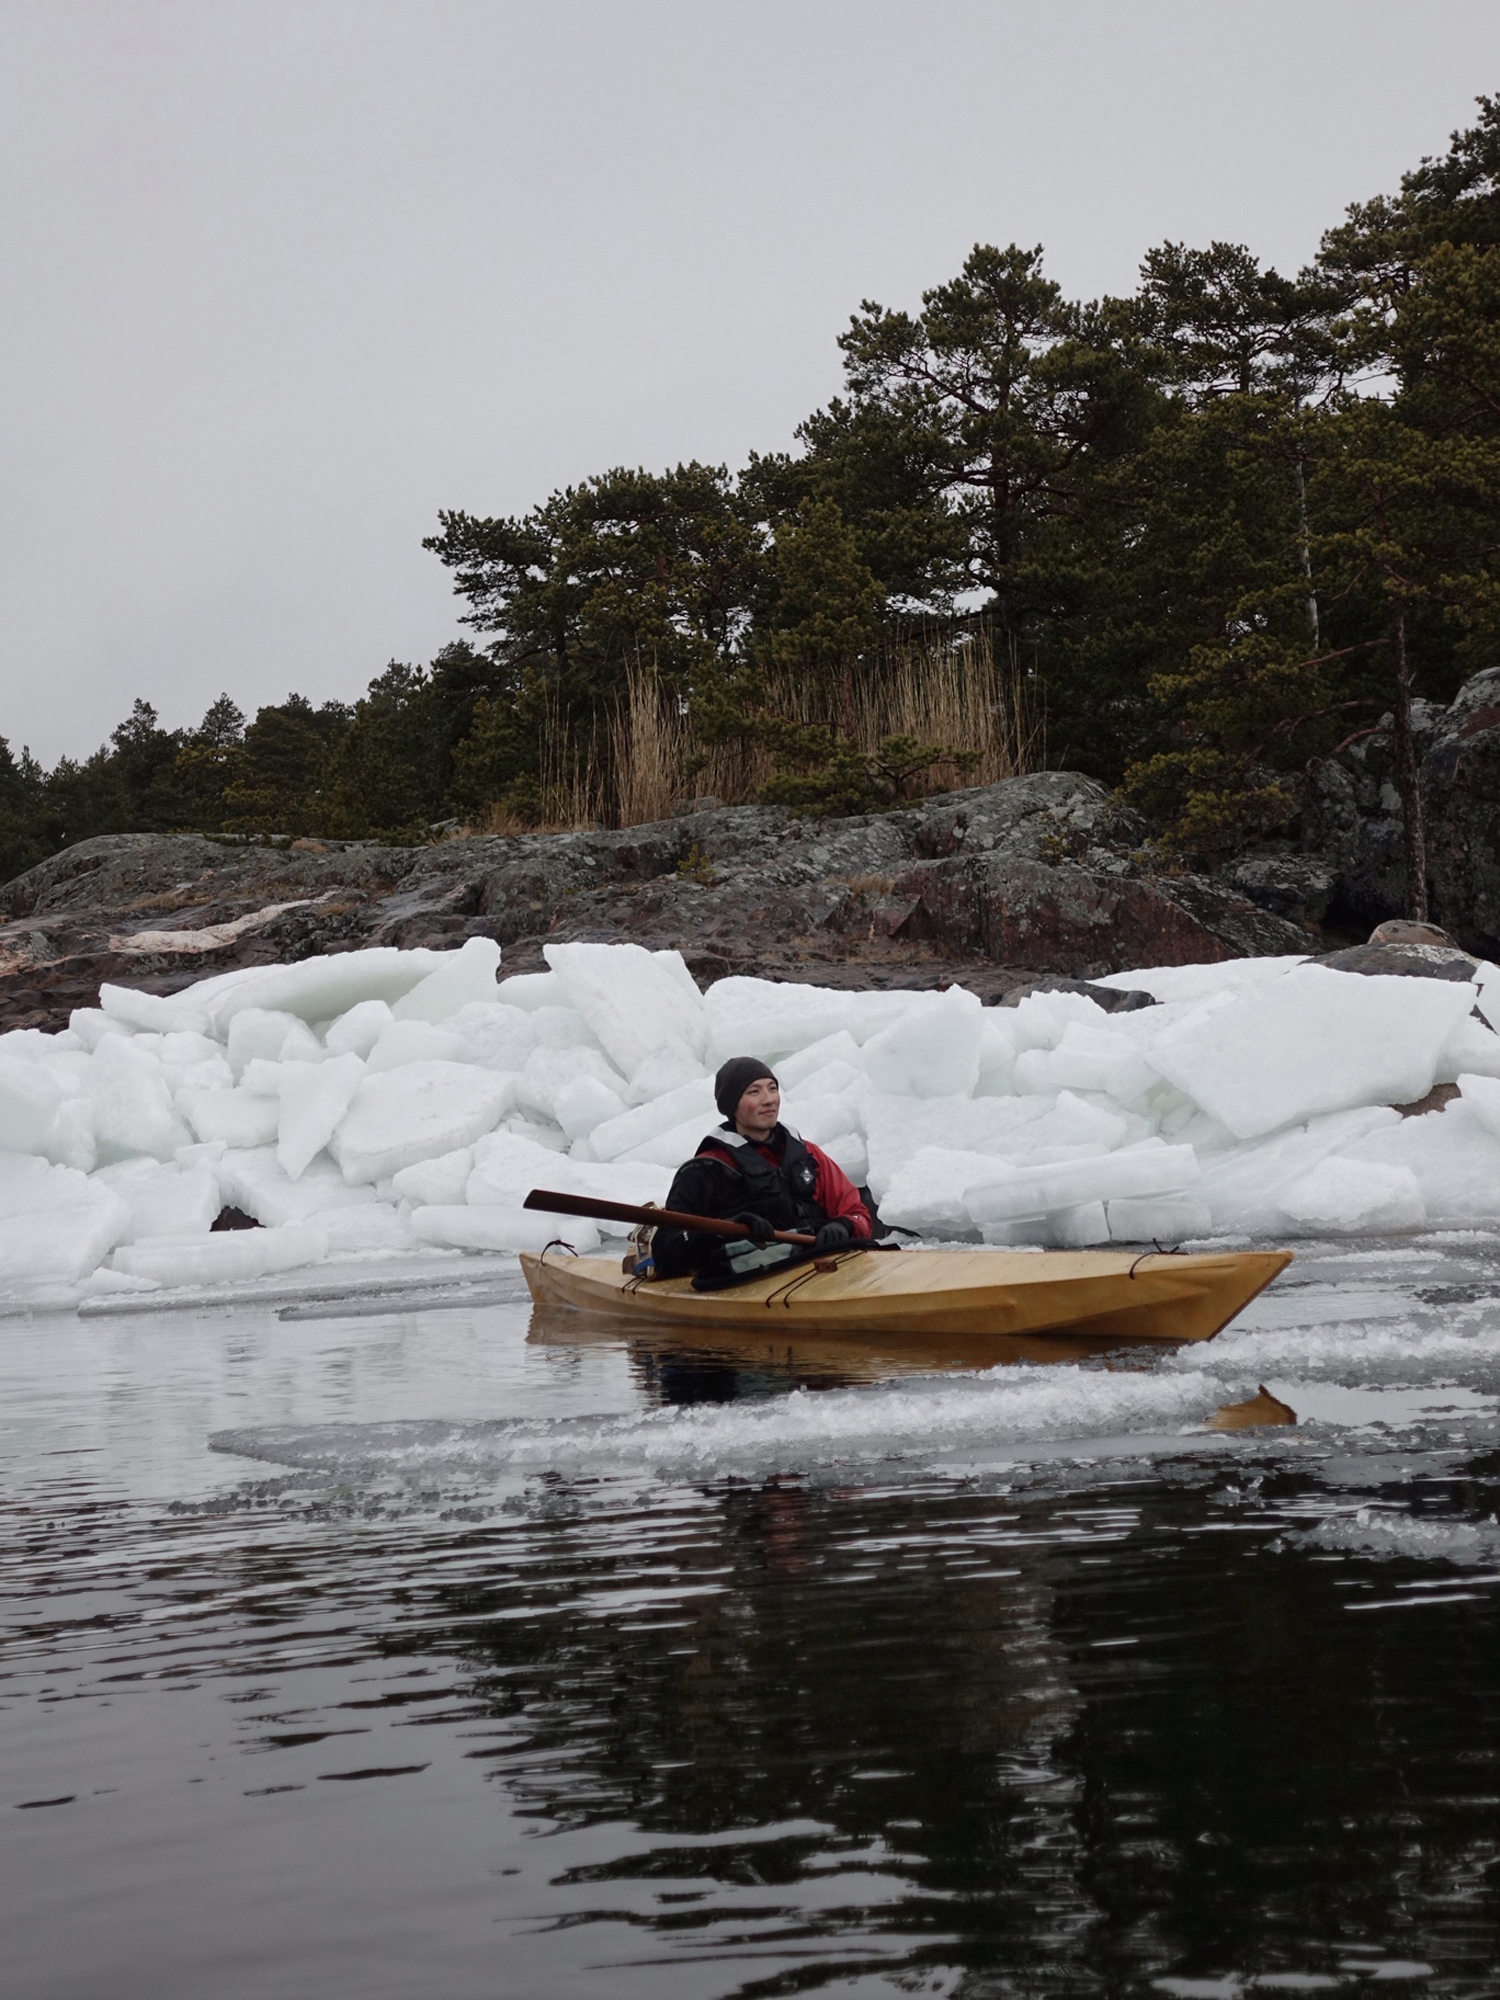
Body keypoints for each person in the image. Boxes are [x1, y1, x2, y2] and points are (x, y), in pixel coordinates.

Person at [651, 1056, 872, 1287]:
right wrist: (721, 1229)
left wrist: (845, 1225)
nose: (769, 1100)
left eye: (772, 1089)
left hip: (823, 1271)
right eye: (754, 1092)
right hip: (748, 1282)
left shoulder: (809, 1155)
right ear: (732, 1105)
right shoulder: (704, 1170)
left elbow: (857, 1213)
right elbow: (667, 1250)